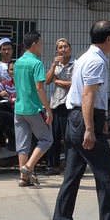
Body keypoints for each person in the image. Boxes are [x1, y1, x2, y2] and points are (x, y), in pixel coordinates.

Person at [52, 20, 110, 220]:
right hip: (84, 121)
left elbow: (87, 95)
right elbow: (88, 95)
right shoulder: (96, 61)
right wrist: (90, 129)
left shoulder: (82, 59)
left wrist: (101, 122)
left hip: (76, 119)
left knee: (72, 175)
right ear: (108, 39)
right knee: (109, 175)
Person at [13, 31, 52, 187]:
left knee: (22, 144)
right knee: (47, 139)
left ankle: (24, 178)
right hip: (33, 108)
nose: (42, 46)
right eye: (41, 43)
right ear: (35, 44)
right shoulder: (36, 63)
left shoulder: (18, 62)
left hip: (19, 108)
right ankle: (28, 167)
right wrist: (48, 109)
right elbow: (39, 88)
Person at [45, 38, 74, 174]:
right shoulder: (56, 65)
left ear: (70, 49)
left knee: (68, 138)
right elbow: (47, 81)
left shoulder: (76, 65)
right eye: (60, 47)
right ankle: (53, 166)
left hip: (68, 105)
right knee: (53, 137)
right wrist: (53, 66)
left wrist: (59, 81)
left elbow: (74, 84)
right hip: (55, 104)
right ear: (57, 50)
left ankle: (70, 166)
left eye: (65, 47)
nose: (63, 49)